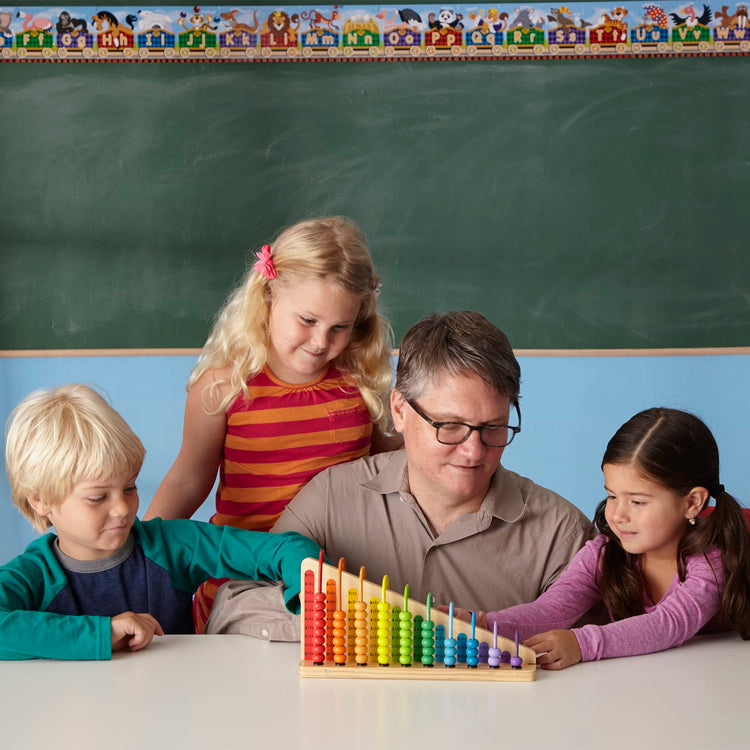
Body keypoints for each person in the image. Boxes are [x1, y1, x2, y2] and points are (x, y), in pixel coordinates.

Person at [206, 311, 593, 638]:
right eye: (450, 426)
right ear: (400, 410)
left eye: (493, 427)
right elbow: (234, 609)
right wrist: (368, 628)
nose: (475, 451)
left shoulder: (563, 534)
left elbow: (604, 663)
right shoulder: (330, 499)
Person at [143, 216, 400, 630]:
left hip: (343, 582)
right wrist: (135, 555)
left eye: (340, 328)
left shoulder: (361, 385)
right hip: (250, 582)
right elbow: (187, 482)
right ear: (267, 294)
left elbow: (399, 462)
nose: (321, 342)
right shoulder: (224, 388)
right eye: (307, 320)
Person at [0, 384, 322, 660]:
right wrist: (102, 634)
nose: (123, 509)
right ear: (40, 500)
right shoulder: (33, 575)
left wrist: (311, 591)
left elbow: (283, 548)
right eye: (98, 497)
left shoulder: (170, 546)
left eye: (130, 487)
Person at [453, 407, 750, 670]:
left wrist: (583, 643)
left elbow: (668, 624)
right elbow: (553, 609)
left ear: (692, 503)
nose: (618, 514)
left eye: (637, 501)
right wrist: (483, 624)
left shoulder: (711, 561)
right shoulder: (605, 553)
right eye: (611, 495)